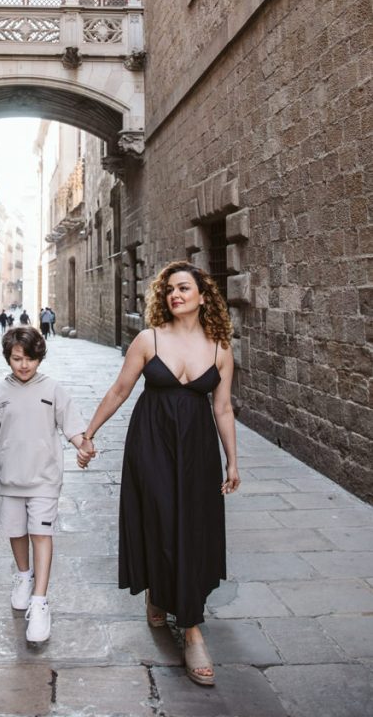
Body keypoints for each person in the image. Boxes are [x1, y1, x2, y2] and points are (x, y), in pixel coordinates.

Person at [78, 261, 240, 686]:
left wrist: (233, 460)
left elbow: (222, 408)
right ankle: (190, 630)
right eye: (169, 289)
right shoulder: (148, 339)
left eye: (184, 288)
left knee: (193, 528)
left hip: (197, 451)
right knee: (164, 521)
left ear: (203, 296)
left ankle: (174, 605)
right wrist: (89, 433)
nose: (175, 295)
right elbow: (119, 389)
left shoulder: (221, 348)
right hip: (151, 445)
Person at [0, 327, 86, 643]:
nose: (24, 365)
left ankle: (40, 601)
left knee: (41, 534)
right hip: (10, 479)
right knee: (16, 532)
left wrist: (83, 444)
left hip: (44, 478)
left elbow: (72, 426)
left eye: (30, 358)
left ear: (40, 357)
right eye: (17, 359)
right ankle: (23, 576)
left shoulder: (53, 389)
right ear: (8, 358)